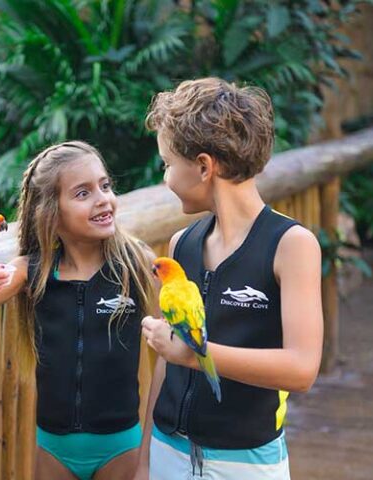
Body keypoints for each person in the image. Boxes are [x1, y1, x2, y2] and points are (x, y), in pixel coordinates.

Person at [136, 78, 323, 479]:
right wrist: (144, 460)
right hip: (168, 451)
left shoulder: (292, 245)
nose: (165, 178)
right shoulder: (180, 245)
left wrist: (196, 354)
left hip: (246, 461)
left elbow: (302, 369)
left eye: (168, 164)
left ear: (204, 166)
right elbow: (166, 363)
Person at [0, 141, 158, 480]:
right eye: (82, 193)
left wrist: (147, 457)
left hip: (122, 447)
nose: (103, 198)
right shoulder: (33, 270)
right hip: (53, 450)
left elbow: (169, 354)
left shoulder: (138, 265)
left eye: (105, 186)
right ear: (51, 213)